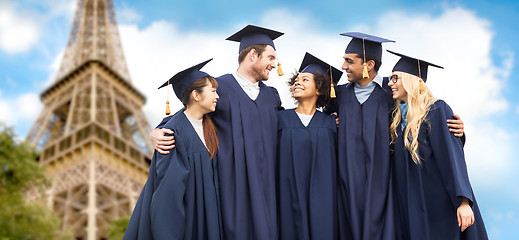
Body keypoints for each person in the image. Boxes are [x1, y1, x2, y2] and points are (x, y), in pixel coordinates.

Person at [150, 25, 284, 240]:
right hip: (230, 183)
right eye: (270, 57)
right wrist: (158, 130)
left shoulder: (272, 96)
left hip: (267, 184)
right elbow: (187, 112)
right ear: (252, 55)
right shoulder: (219, 87)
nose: (274, 63)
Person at [329, 32, 466, 240]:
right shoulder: (338, 95)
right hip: (348, 187)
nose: (343, 66)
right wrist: (330, 121)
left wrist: (458, 131)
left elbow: (423, 115)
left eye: (349, 61)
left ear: (369, 64)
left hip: (387, 188)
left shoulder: (390, 92)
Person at [387, 50, 488, 240]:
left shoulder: (436, 110)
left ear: (411, 81)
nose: (389, 83)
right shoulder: (397, 117)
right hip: (412, 205)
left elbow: (451, 156)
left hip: (438, 205)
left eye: (395, 78)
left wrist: (463, 201)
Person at [123, 59, 222, 240]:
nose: (217, 96)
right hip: (189, 223)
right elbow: (168, 195)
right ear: (196, 95)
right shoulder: (172, 133)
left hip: (209, 217)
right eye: (213, 91)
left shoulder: (210, 126)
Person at [277, 52, 341, 240]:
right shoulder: (279, 119)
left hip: (323, 198)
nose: (298, 83)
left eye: (305, 79)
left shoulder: (330, 124)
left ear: (320, 88)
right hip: (287, 195)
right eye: (296, 80)